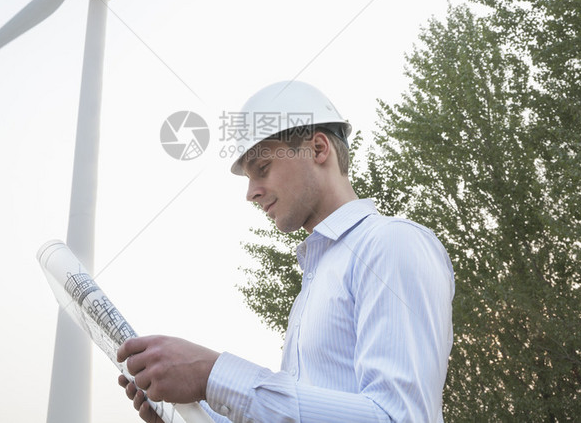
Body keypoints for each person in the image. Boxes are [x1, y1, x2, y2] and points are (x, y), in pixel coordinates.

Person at [117, 80, 455, 422]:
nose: (251, 193)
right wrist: (190, 413)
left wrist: (211, 374)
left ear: (318, 149)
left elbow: (399, 417)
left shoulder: (390, 244)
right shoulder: (318, 279)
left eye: (262, 169)